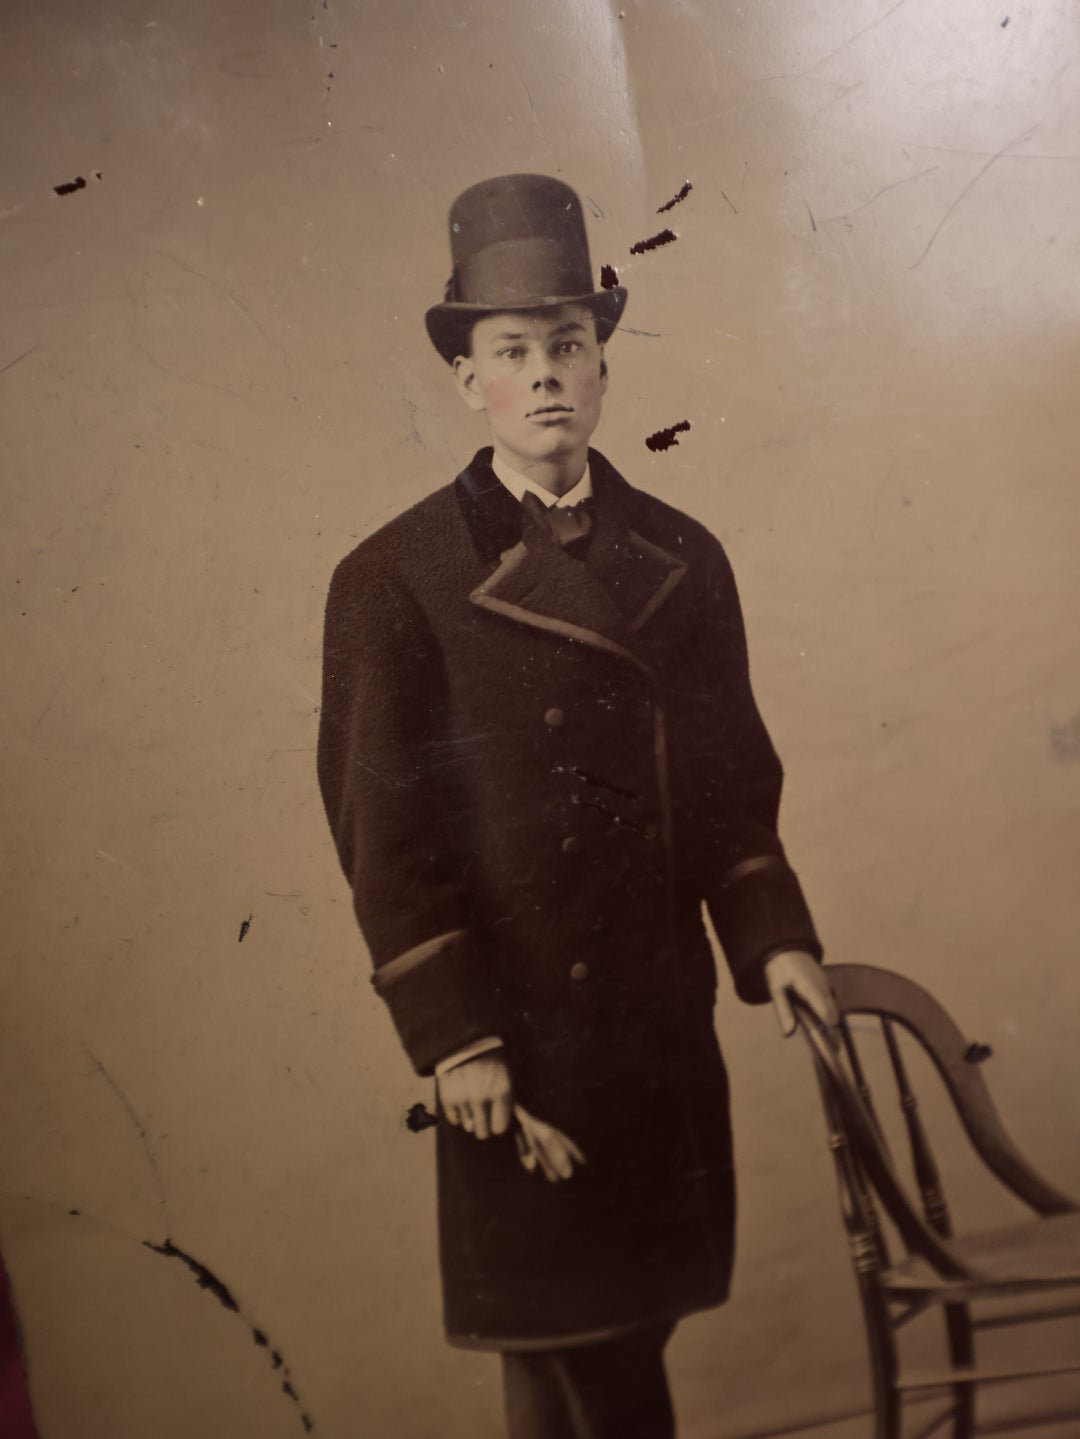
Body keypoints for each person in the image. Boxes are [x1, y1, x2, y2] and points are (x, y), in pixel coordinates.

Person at [317, 173, 837, 1439]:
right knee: (574, 1350)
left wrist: (776, 939)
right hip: (520, 1041)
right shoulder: (396, 576)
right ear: (467, 379)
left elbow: (730, 785)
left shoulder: (684, 555)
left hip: (655, 1029)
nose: (545, 374)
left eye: (568, 344)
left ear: (604, 364)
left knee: (606, 1343)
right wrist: (457, 1038)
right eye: (512, 352)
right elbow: (385, 838)